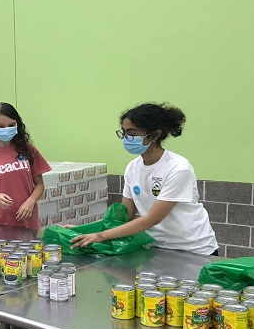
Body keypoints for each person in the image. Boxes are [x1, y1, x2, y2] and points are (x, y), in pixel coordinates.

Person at [70, 102, 218, 255]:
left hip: (193, 250)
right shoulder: (133, 167)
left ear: (155, 135)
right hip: (157, 247)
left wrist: (101, 236)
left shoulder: (178, 168)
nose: (126, 138)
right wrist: (82, 230)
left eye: (132, 133)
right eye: (124, 132)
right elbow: (125, 215)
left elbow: (152, 219)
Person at [0, 102, 52, 234]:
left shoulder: (27, 149)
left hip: (28, 222)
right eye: (1, 126)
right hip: (0, 224)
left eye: (11, 125)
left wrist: (30, 202)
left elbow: (39, 185)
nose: (6, 129)